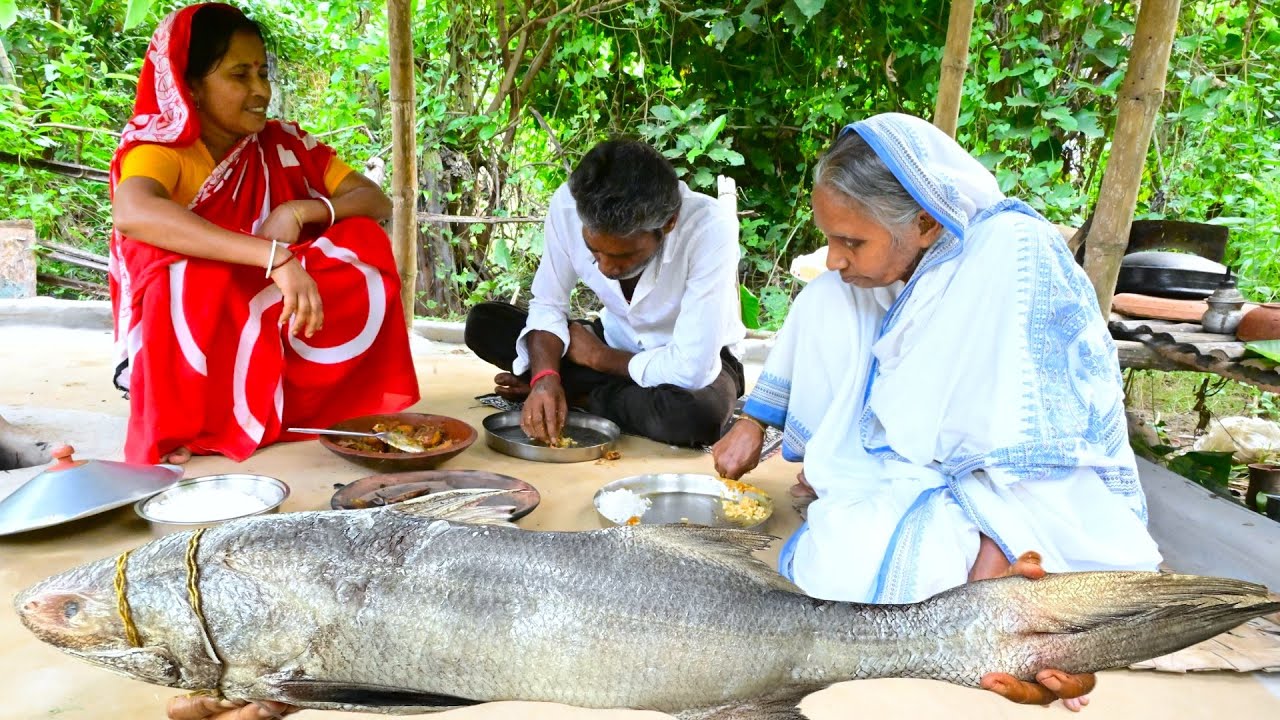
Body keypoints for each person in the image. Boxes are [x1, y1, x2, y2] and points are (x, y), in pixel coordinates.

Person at [713, 113, 1163, 707]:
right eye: (830, 238)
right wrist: (754, 420)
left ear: (926, 221)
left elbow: (1036, 432)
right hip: (906, 467)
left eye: (851, 241)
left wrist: (994, 549)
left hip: (1025, 482)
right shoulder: (888, 266)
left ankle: (1007, 569)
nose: (836, 257)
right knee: (840, 574)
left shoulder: (1010, 253)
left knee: (904, 589)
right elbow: (844, 323)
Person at [110, 3, 419, 465]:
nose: (260, 90)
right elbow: (133, 212)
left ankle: (299, 402)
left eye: (262, 72)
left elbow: (373, 200)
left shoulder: (283, 142)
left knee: (362, 241)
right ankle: (188, 410)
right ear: (190, 86)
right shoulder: (162, 149)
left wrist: (301, 210)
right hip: (215, 298)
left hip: (275, 297)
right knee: (182, 274)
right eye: (239, 75)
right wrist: (273, 256)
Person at [464, 139, 746, 447]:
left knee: (694, 417)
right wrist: (545, 377)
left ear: (668, 223)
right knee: (484, 323)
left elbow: (692, 368)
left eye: (624, 257)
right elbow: (547, 303)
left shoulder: (709, 227)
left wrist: (599, 357)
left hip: (699, 363)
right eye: (594, 252)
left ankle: (581, 394)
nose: (607, 269)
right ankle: (585, 391)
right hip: (612, 338)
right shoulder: (569, 205)